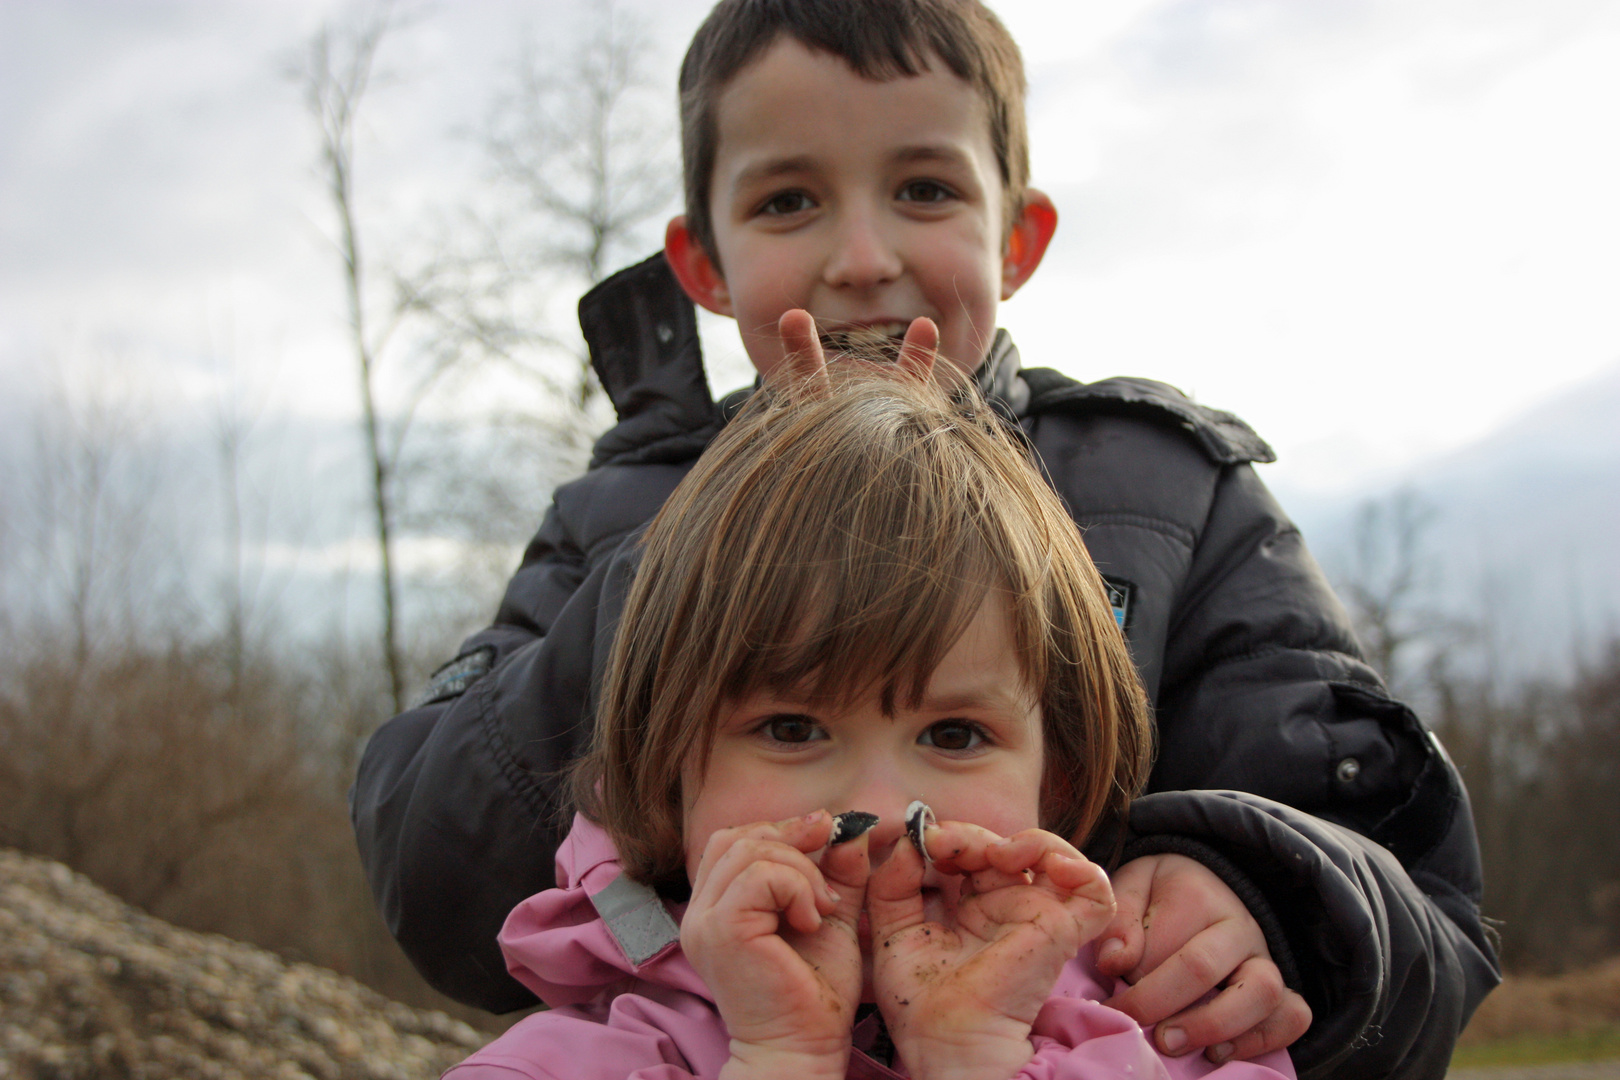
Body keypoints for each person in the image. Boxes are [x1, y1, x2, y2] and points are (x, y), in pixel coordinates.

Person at [351, 1, 1499, 1077]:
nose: (862, 255)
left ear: (1019, 237)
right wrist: (699, 565)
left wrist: (1262, 889)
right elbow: (437, 885)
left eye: (925, 189)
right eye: (788, 202)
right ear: (703, 259)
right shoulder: (619, 519)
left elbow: (1417, 885)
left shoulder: (1163, 490)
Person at [447, 362, 1296, 1080]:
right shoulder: (560, 1061)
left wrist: (975, 1058)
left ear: (1058, 777)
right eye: (790, 729)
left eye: (954, 735)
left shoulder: (1178, 1039)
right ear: (665, 767)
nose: (885, 812)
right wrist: (776, 1058)